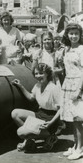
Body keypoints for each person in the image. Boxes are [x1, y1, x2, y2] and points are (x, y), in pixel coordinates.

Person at [11, 63, 61, 152]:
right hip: (40, 114)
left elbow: (61, 109)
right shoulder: (37, 85)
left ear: (47, 74)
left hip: (51, 119)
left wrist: (50, 123)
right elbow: (31, 98)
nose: (38, 76)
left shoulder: (53, 88)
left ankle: (50, 136)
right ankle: (30, 139)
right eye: (36, 73)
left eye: (41, 73)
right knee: (15, 113)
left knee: (21, 132)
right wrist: (20, 86)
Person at [60, 23, 83, 160]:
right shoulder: (67, 49)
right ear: (67, 35)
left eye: (76, 33)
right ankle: (75, 145)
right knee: (72, 119)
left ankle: (80, 148)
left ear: (80, 35)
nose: (73, 36)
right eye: (71, 33)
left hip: (78, 85)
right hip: (68, 84)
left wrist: (79, 90)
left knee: (78, 119)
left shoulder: (81, 49)